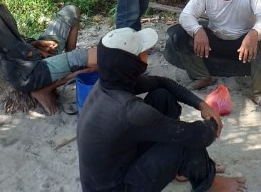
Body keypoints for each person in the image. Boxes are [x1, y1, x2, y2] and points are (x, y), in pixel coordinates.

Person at [77, 27, 247, 192]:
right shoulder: (131, 111)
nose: (148, 52)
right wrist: (213, 124)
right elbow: (196, 136)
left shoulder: (108, 84)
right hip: (118, 187)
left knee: (162, 95)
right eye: (143, 51)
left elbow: (164, 83)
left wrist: (201, 105)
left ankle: (181, 168)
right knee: (184, 140)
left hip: (118, 164)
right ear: (131, 64)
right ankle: (210, 184)